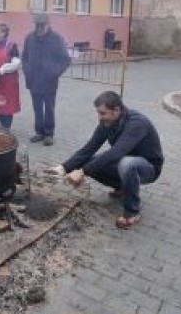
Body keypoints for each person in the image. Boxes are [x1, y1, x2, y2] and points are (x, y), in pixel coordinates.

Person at [49, 91, 164, 229]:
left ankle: (132, 212)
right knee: (91, 162)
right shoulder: (107, 123)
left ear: (116, 110)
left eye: (103, 113)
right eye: (98, 113)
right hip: (124, 160)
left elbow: (116, 153)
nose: (99, 117)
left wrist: (82, 172)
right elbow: (89, 148)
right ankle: (122, 187)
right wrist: (63, 168)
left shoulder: (137, 123)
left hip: (148, 167)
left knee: (126, 164)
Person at [22, 13, 70, 146]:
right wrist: (27, 70)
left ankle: (49, 134)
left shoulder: (57, 39)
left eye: (42, 25)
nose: (40, 28)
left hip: (49, 81)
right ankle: (39, 132)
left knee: (49, 108)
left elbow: (65, 59)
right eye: (37, 25)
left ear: (48, 24)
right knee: (37, 108)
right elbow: (24, 57)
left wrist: (55, 72)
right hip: (34, 81)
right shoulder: (29, 38)